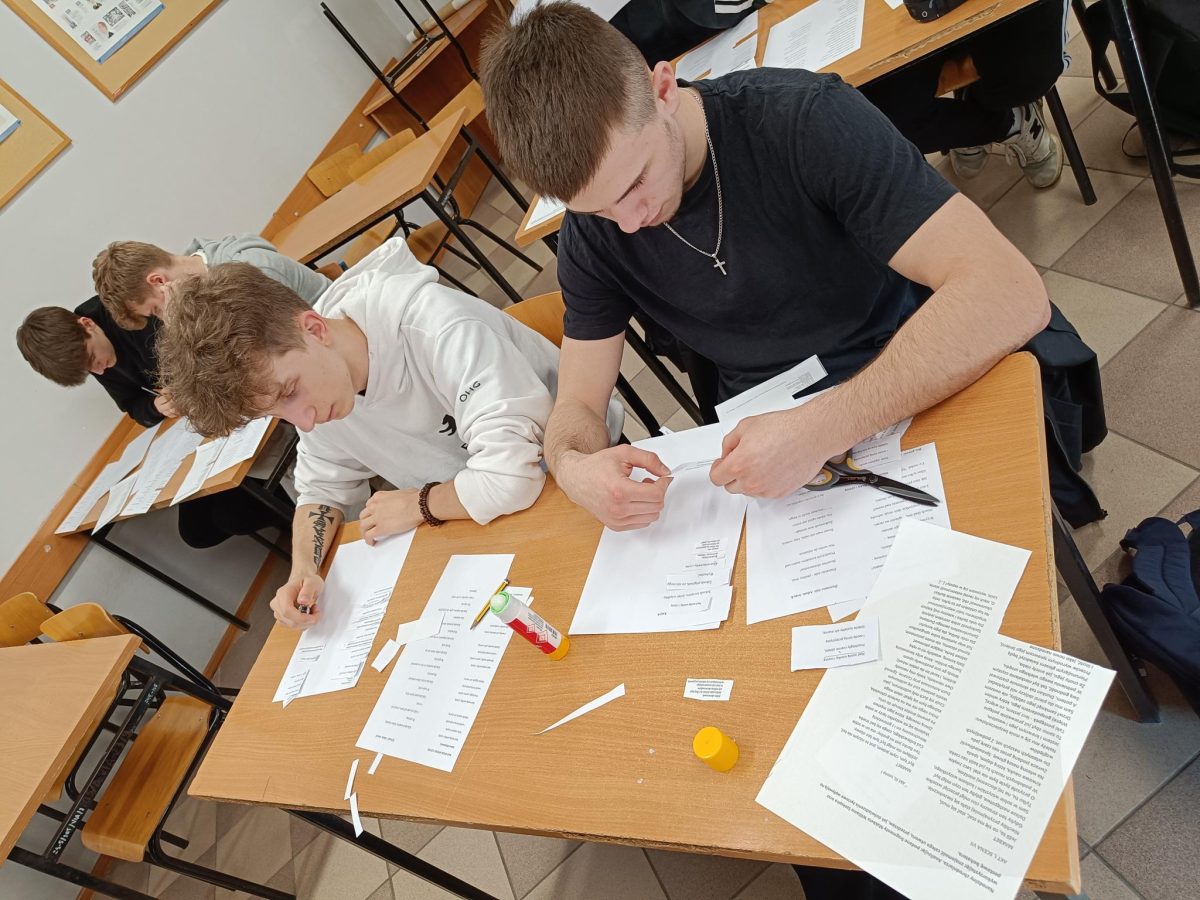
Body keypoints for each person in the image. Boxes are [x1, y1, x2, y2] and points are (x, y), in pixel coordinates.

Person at [479, 2, 1049, 534]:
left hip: (903, 368)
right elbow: (579, 404)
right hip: (768, 447)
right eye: (599, 209)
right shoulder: (592, 235)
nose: (630, 222)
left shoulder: (802, 119)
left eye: (636, 182)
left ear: (663, 89)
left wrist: (821, 428)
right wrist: (573, 466)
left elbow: (1008, 292)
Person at [155, 238, 623, 630]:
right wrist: (304, 568)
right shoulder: (321, 379)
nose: (304, 421)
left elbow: (514, 478)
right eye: (275, 411)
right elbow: (321, 489)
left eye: (290, 392)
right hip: (484, 519)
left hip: (578, 483)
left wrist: (419, 504)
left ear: (314, 328)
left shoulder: (433, 325)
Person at [15, 298, 282, 549]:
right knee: (196, 533)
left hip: (232, 395)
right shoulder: (89, 354)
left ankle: (290, 503)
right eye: (90, 372)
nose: (100, 371)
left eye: (93, 359)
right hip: (197, 427)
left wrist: (186, 384)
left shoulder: (131, 309)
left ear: (87, 324)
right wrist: (155, 406)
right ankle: (280, 503)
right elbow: (132, 406)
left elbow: (207, 350)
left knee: (232, 517)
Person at [858, 0, 1071, 189]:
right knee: (873, 115)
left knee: (1026, 72)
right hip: (900, 18)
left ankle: (993, 106)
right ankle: (1007, 123)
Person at [92, 234, 330, 330]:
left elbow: (271, 346)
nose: (164, 319)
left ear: (158, 281)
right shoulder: (203, 290)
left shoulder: (251, 269)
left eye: (156, 309)